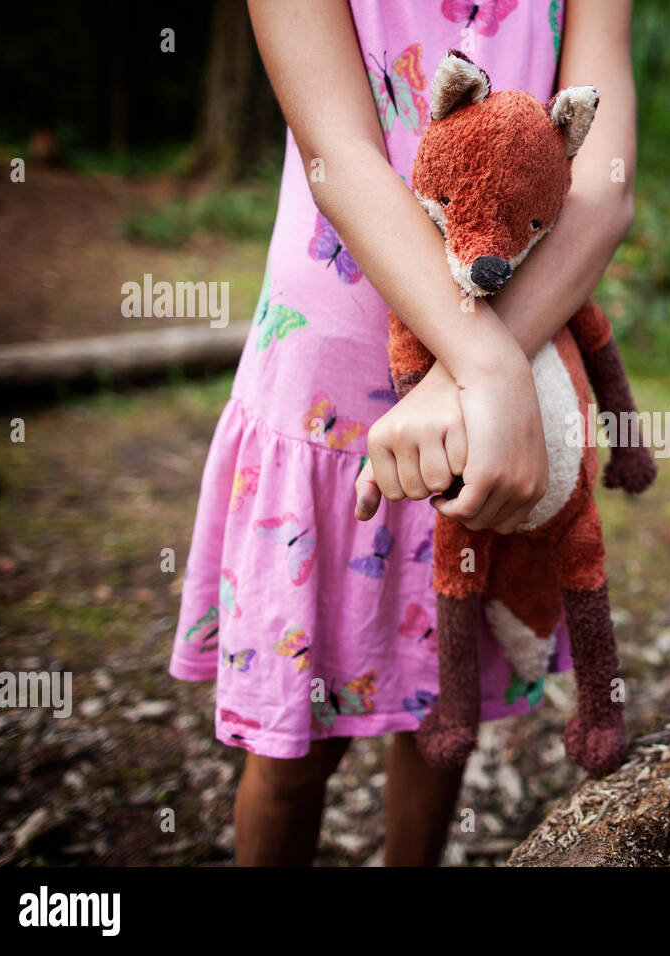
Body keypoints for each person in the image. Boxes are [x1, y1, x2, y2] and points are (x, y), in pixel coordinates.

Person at [167, 0, 635, 866]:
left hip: (507, 355)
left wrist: (477, 369)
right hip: (332, 393)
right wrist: (487, 372)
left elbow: (602, 182)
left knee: (439, 723)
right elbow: (336, 154)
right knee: (295, 756)